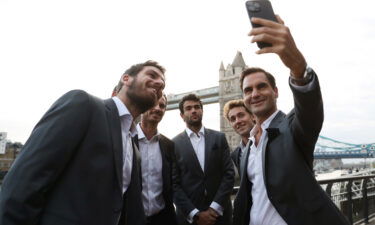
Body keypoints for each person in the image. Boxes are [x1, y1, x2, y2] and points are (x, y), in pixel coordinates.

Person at [0, 60, 166, 225]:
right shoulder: (84, 104)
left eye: (163, 85)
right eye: (152, 75)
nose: (160, 83)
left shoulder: (133, 146)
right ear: (126, 79)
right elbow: (24, 182)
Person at [232, 16, 350, 225]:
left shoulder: (292, 127)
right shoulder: (246, 147)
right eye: (248, 90)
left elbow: (310, 107)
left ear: (275, 92)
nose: (255, 93)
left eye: (262, 86)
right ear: (243, 98)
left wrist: (298, 67)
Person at [172, 94, 234, 225]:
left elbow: (229, 174)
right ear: (182, 116)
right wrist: (195, 214)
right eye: (188, 108)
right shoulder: (173, 144)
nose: (193, 110)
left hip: (220, 216)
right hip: (190, 219)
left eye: (197, 107)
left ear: (202, 111)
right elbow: (174, 185)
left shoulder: (219, 138)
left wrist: (214, 209)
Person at [135, 94, 178, 225]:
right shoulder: (125, 140)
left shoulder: (169, 145)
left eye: (162, 106)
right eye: (153, 104)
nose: (158, 108)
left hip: (163, 219)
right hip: (131, 218)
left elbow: (173, 183)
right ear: (142, 107)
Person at [223, 99, 254, 178]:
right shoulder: (236, 155)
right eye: (233, 119)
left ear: (253, 116)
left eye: (241, 115)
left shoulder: (269, 140)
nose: (237, 121)